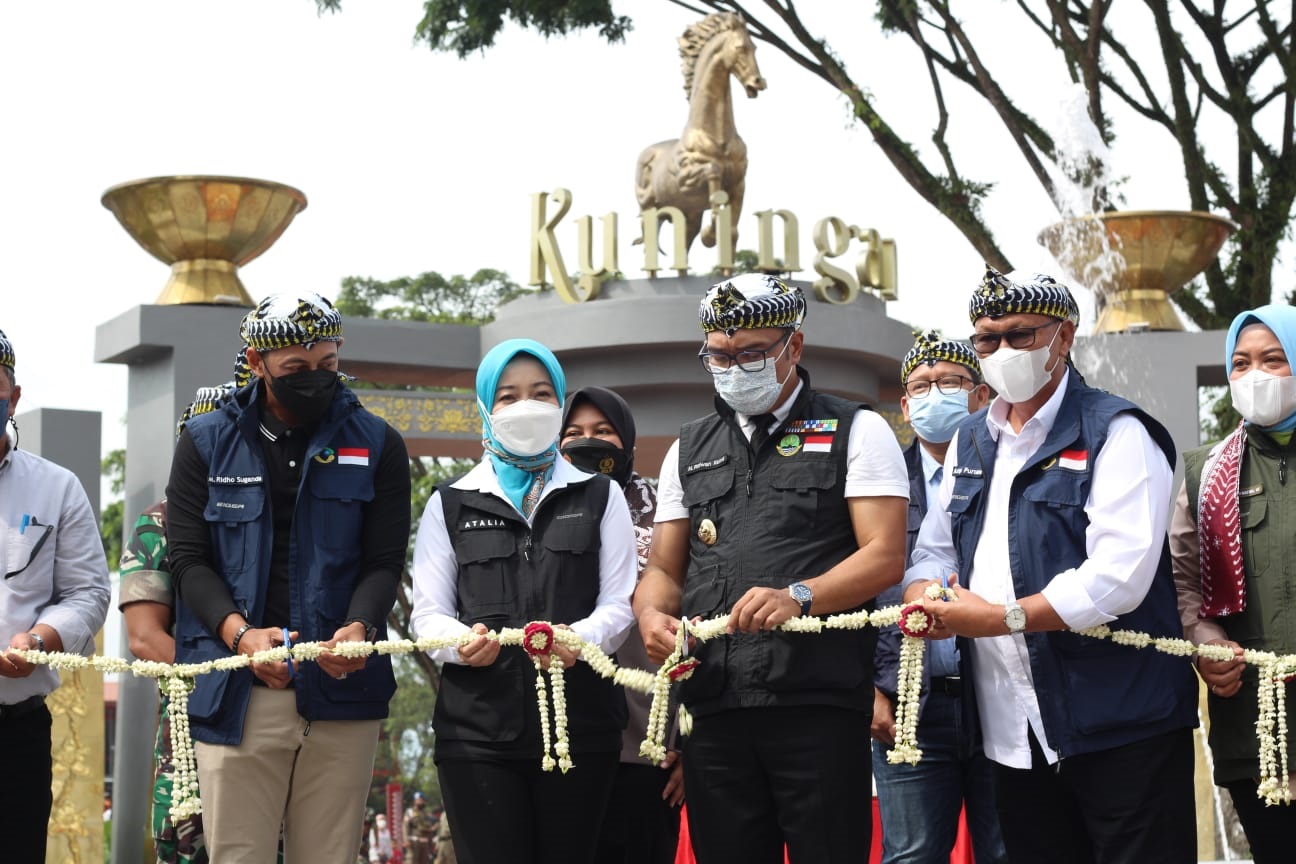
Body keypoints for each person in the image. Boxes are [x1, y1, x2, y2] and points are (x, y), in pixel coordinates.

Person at [904, 267, 1198, 863]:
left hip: (1121, 721)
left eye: (1021, 335)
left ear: (1063, 336)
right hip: (1013, 731)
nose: (1003, 351)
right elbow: (933, 549)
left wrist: (999, 618)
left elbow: (1119, 576)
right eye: (987, 339)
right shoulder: (970, 441)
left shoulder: (1117, 430)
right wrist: (927, 596)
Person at [634, 273, 909, 863]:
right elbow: (663, 565)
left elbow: (885, 554)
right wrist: (651, 613)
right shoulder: (689, 447)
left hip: (817, 704)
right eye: (720, 355)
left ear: (795, 347)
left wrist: (800, 596)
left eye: (754, 353)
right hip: (715, 707)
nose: (735, 367)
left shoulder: (857, 430)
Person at [167, 293, 412, 864]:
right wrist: (239, 635)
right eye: (295, 369)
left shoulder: (378, 442)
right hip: (238, 694)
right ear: (256, 362)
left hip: (342, 689)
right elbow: (188, 561)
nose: (314, 379)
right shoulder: (205, 442)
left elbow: (382, 562)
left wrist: (359, 627)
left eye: (326, 364)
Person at [410, 338, 636, 864]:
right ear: (487, 407)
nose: (526, 407)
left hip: (581, 730)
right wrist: (458, 644)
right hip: (477, 735)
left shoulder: (601, 495)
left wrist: (581, 640)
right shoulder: (450, 503)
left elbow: (619, 605)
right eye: (508, 396)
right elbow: (427, 613)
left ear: (559, 401)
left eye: (540, 393)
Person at [871, 330, 1005, 864]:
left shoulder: (1009, 473)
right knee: (912, 854)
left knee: (1012, 848)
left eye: (949, 382)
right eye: (921, 386)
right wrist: (867, 687)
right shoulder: (875, 484)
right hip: (907, 706)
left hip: (997, 696)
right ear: (904, 405)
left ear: (981, 396)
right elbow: (853, 595)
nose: (935, 395)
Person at [1170, 304, 1296, 862]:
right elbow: (1184, 584)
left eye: (1274, 359)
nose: (1256, 376)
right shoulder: (1204, 472)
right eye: (1241, 364)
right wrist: (1204, 641)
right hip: (1254, 722)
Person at [559, 385, 684, 864]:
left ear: (627, 441)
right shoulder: (540, 510)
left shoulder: (666, 516)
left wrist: (688, 741)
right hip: (559, 739)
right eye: (573, 433)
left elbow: (700, 620)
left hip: (647, 745)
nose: (587, 442)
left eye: (602, 431)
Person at [0, 327, 112, 862]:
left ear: (13, 396)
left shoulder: (56, 487)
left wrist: (41, 638)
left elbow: (88, 592)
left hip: (13, 733)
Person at [119, 384, 236, 864]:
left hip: (277, 713)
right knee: (190, 845)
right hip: (192, 721)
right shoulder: (159, 525)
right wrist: (231, 672)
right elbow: (144, 637)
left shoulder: (282, 519)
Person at [403, 791, 435, 864]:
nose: (422, 802)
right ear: (415, 800)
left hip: (425, 844)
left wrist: (431, 843)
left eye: (423, 800)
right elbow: (405, 827)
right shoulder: (410, 811)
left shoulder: (426, 813)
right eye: (420, 800)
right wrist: (406, 840)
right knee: (412, 861)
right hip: (414, 842)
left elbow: (429, 829)